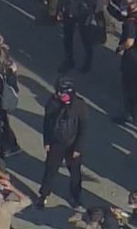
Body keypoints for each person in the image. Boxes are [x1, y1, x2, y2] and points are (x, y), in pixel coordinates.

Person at [37, 77, 88, 210]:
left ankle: (76, 197)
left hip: (72, 144)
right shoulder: (53, 103)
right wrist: (47, 141)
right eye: (57, 91)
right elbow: (47, 123)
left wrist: (78, 147)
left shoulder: (79, 105)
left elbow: (83, 128)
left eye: (61, 92)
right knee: (50, 170)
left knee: (75, 174)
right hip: (56, 143)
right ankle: (43, 196)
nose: (58, 94)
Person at [57, 0, 95, 73]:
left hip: (82, 12)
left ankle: (88, 60)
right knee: (68, 37)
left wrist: (90, 13)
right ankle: (69, 60)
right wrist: (60, 10)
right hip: (68, 10)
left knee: (85, 37)